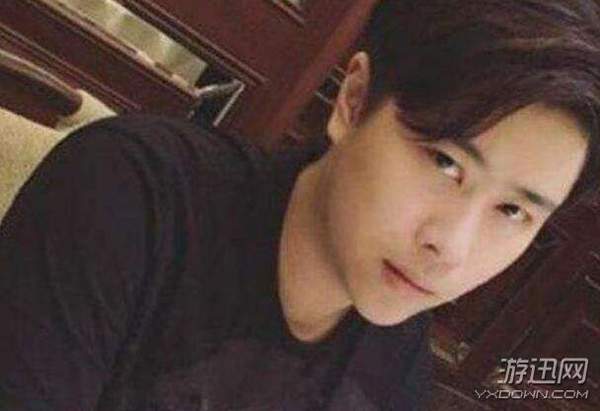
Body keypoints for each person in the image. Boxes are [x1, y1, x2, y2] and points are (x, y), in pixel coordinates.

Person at [1, 0, 599, 410]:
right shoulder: (133, 197)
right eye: (445, 163)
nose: (451, 247)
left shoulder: (397, 363)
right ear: (353, 101)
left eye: (513, 211)